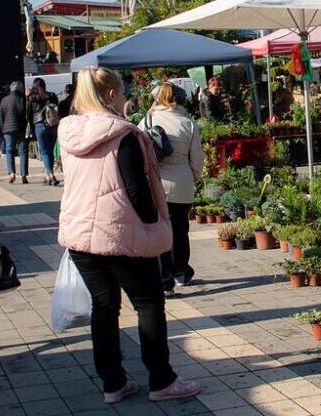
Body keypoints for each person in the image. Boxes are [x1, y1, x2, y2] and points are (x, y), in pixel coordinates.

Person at [58, 66, 201, 404]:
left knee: (104, 307)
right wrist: (154, 224)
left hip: (79, 234)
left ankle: (113, 384)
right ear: (110, 95)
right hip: (119, 232)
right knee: (149, 303)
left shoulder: (69, 131)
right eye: (121, 92)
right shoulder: (124, 135)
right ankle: (161, 379)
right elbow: (136, 192)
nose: (124, 98)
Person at [140, 82, 204, 295]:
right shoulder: (188, 123)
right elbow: (197, 160)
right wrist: (192, 178)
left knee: (160, 231)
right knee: (180, 229)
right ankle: (181, 272)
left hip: (155, 183)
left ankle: (164, 277)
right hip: (181, 183)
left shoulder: (146, 120)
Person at [26, 78, 60, 186]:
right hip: (52, 125)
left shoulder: (32, 98)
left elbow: (28, 114)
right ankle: (48, 176)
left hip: (39, 125)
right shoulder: (52, 95)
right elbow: (57, 108)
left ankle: (50, 174)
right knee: (50, 150)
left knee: (44, 152)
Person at [0, 81, 29, 184]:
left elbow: (1, 117)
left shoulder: (4, 100)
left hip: (8, 129)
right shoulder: (22, 99)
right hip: (21, 128)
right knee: (23, 151)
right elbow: (24, 113)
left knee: (9, 150)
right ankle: (23, 174)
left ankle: (11, 172)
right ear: (19, 89)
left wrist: (3, 129)